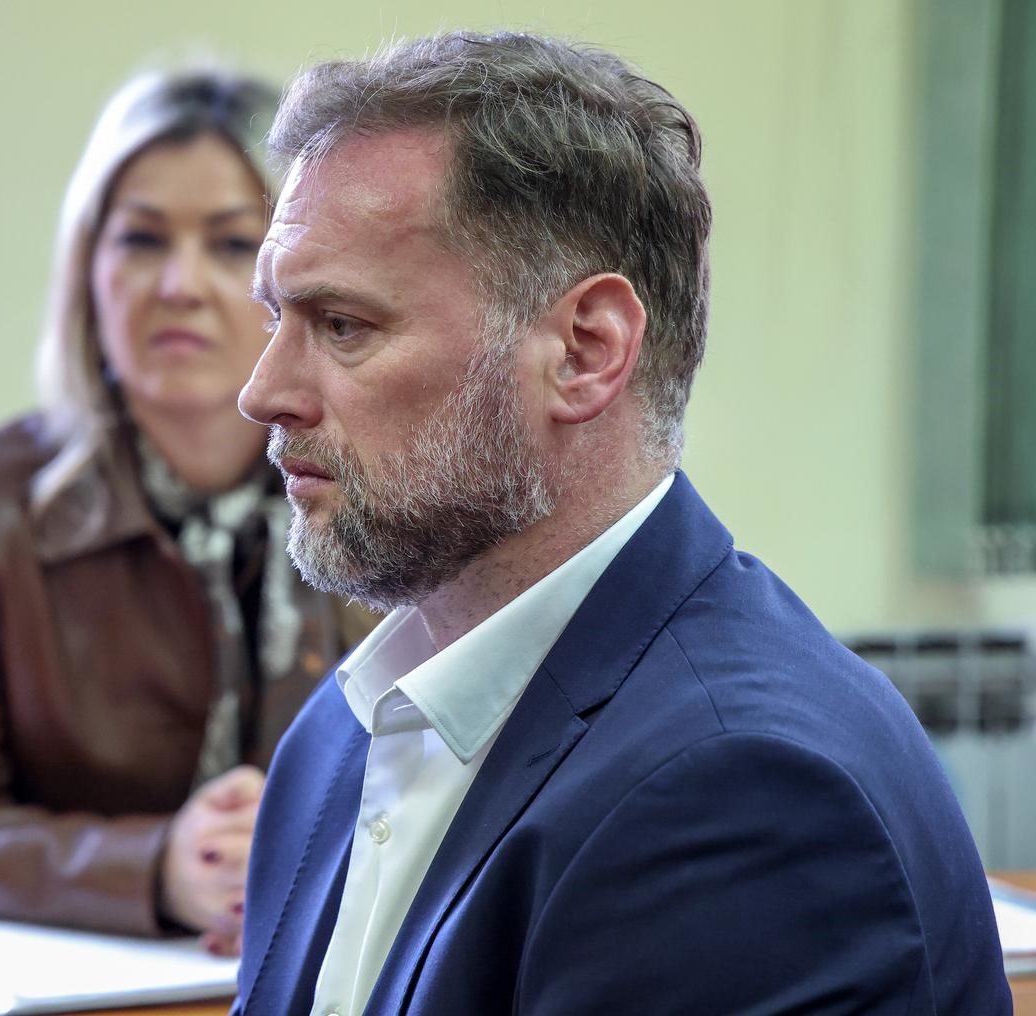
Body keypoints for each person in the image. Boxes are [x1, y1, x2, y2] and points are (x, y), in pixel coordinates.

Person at [232, 30, 1010, 1014]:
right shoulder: (342, 733)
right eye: (277, 318)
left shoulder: (739, 793)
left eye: (342, 325)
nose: (263, 392)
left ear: (585, 351)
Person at [0, 69, 373, 954]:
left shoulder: (380, 488)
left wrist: (308, 859)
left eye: (232, 243)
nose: (180, 284)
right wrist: (157, 868)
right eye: (140, 239)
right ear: (86, 271)